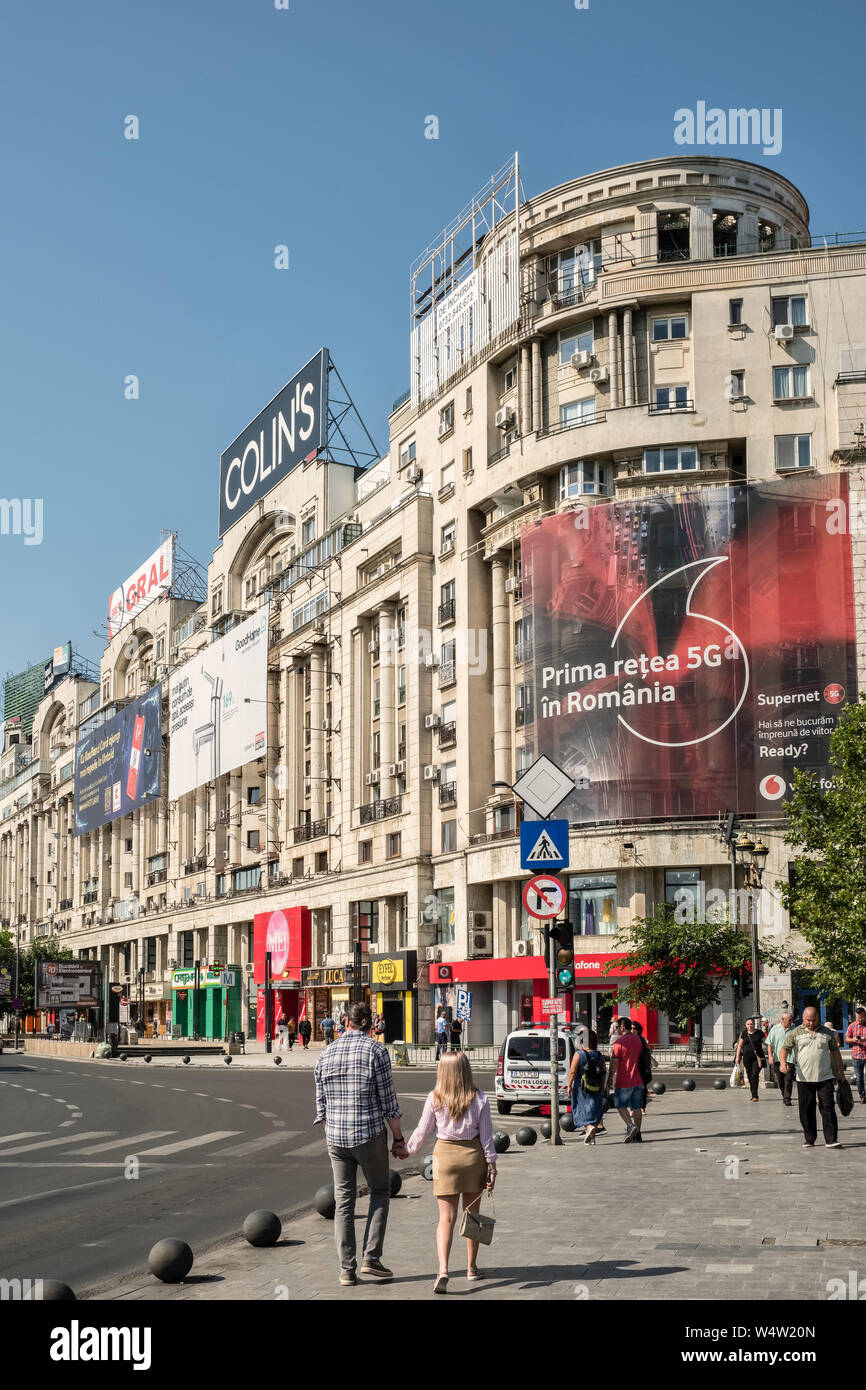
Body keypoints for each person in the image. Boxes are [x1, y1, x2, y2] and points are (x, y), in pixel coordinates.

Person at [314, 1001, 405, 1286]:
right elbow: (389, 1104)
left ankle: (346, 1270)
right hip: (368, 1135)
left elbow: (321, 1105)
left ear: (345, 1022)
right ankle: (371, 1258)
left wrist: (334, 1130)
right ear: (369, 1024)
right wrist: (398, 1139)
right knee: (380, 1189)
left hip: (336, 1139)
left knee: (344, 1202)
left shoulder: (326, 1053)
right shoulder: (376, 1051)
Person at [398, 1052, 496, 1293]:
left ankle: (443, 1270)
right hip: (472, 1157)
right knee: (472, 1216)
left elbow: (422, 1130)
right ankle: (472, 1268)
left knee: (446, 1219)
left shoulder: (435, 1098)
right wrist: (492, 1166)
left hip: (444, 1157)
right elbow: (487, 1138)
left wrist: (406, 1150)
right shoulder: (480, 1098)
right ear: (466, 1070)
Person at [779, 1005, 847, 1149]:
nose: (811, 1023)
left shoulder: (827, 1032)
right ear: (803, 1018)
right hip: (804, 1078)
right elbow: (785, 1048)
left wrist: (840, 1071)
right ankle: (809, 1139)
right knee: (806, 1110)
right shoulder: (795, 1032)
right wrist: (783, 1062)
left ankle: (831, 1139)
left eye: (814, 1020)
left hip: (825, 1077)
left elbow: (835, 1052)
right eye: (808, 1020)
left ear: (818, 1019)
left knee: (828, 1107)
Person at [606, 1016, 646, 1142]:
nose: (617, 1029)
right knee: (636, 1107)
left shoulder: (618, 1043)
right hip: (637, 1079)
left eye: (618, 1027)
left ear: (622, 1027)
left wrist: (610, 1078)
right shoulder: (638, 1040)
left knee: (620, 1105)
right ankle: (638, 1134)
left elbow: (614, 1063)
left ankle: (630, 1126)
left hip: (624, 1080)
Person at [567, 1029, 606, 1144]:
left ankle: (589, 1128)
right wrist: (603, 1087)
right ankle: (591, 1138)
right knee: (594, 1110)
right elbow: (603, 1072)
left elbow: (572, 1072)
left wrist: (569, 1085)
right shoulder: (599, 1056)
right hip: (597, 1087)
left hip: (581, 1087)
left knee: (580, 1110)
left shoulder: (579, 1054)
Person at [767, 1011, 796, 1106]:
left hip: (790, 1058)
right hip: (777, 1059)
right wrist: (770, 1056)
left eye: (791, 1019)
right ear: (783, 1020)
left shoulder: (794, 1030)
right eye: (789, 1020)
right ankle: (784, 1094)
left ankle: (787, 1098)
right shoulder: (775, 1029)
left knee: (788, 1079)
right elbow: (770, 1044)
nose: (791, 1021)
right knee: (780, 1079)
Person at [735, 1018, 767, 1102]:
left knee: (754, 1075)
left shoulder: (760, 1033)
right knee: (749, 1076)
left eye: (751, 1024)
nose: (750, 1026)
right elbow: (740, 1046)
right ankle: (753, 1094)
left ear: (754, 1024)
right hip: (746, 1058)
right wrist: (737, 1057)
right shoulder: (744, 1034)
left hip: (758, 1058)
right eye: (748, 1024)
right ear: (746, 1025)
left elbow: (766, 1043)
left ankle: (755, 1095)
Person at [845, 1006, 866, 1103]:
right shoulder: (852, 1026)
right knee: (859, 1078)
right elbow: (847, 1039)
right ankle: (863, 1096)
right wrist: (853, 1040)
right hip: (856, 1055)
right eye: (858, 1018)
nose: (860, 1020)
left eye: (861, 1017)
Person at [631, 1018, 652, 1114]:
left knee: (643, 1088)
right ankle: (632, 1109)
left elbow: (648, 1053)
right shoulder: (628, 1040)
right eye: (631, 1028)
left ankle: (643, 1107)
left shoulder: (643, 1040)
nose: (632, 1030)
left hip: (642, 1067)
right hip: (631, 1067)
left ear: (638, 1030)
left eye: (634, 1028)